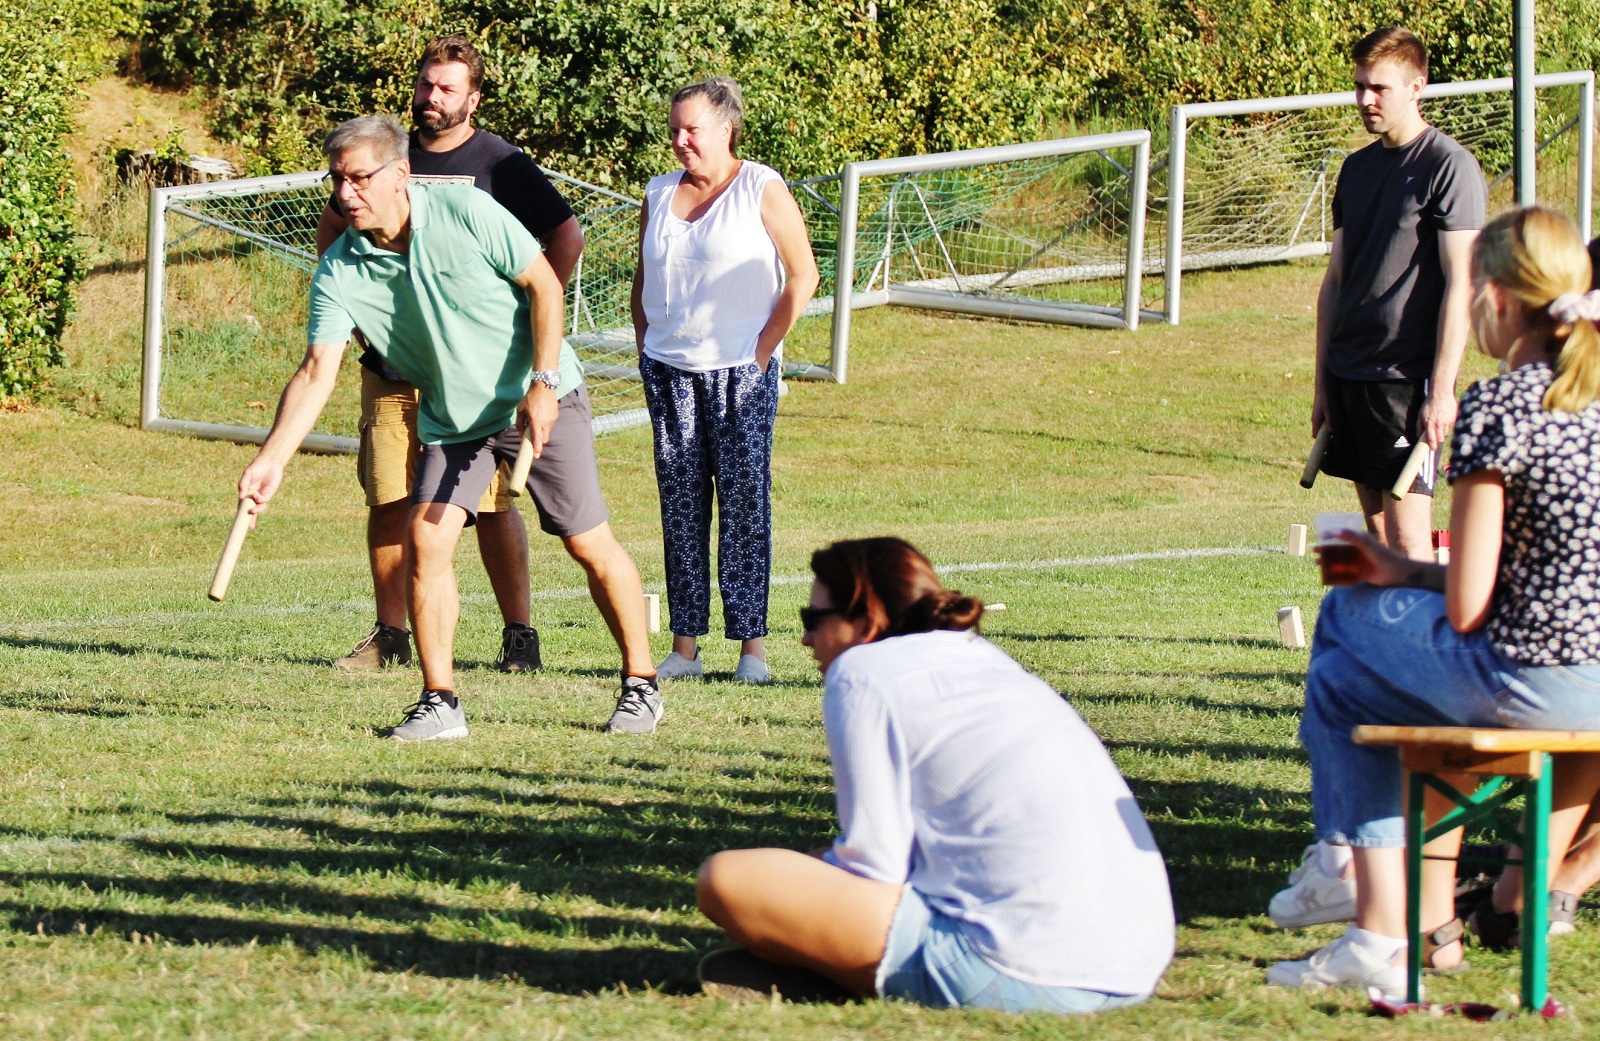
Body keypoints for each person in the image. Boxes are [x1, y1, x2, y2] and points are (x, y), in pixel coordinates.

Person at [237, 115, 662, 739]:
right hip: (455, 419)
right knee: (427, 541)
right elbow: (315, 372)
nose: (345, 194)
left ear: (400, 173)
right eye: (337, 181)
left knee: (586, 541)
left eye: (359, 179)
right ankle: (441, 704)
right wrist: (272, 458)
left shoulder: (465, 210)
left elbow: (544, 286)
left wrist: (543, 385)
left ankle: (641, 686)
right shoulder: (340, 269)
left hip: (536, 395)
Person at [1267, 206, 1600, 992]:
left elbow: (1471, 604)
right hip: (1596, 676)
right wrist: (1399, 569)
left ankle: (1352, 879)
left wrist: (1383, 575)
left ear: (1498, 298)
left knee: (1344, 629)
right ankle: (1378, 909)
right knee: (1357, 663)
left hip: (1535, 680)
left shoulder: (1499, 410)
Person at [695, 537, 1175, 1012]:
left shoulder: (861, 672)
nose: (804, 638)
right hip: (1136, 966)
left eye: (812, 619)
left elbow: (874, 863)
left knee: (728, 879)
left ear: (866, 618)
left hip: (1020, 968)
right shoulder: (984, 659)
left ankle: (833, 969)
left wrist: (798, 895)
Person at [1282, 25, 1486, 923]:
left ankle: (1423, 681)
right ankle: (1375, 664)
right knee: (1370, 536)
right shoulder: (1357, 169)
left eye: (1380, 86)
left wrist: (1445, 390)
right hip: (1355, 379)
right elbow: (1334, 279)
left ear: (1416, 86)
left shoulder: (1451, 167)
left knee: (1411, 533)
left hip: (1412, 385)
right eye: (1360, 85)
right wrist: (1321, 378)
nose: (1366, 98)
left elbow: (1458, 283)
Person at [316, 35, 586, 675]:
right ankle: (390, 637)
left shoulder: (501, 163)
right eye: (426, 85)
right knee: (389, 499)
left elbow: (563, 239)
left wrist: (526, 320)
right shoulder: (382, 158)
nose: (432, 97)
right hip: (394, 370)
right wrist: (357, 316)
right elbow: (333, 235)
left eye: (447, 87)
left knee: (491, 506)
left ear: (474, 97)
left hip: (477, 376)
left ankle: (518, 633)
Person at [629, 77, 819, 684]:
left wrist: (762, 352)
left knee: (743, 505)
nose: (681, 140)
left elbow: (803, 276)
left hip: (741, 371)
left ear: (726, 129)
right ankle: (685, 648)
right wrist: (644, 344)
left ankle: (752, 650)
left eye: (694, 129)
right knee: (680, 507)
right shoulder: (657, 194)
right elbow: (643, 281)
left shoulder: (761, 187)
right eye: (675, 129)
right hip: (670, 371)